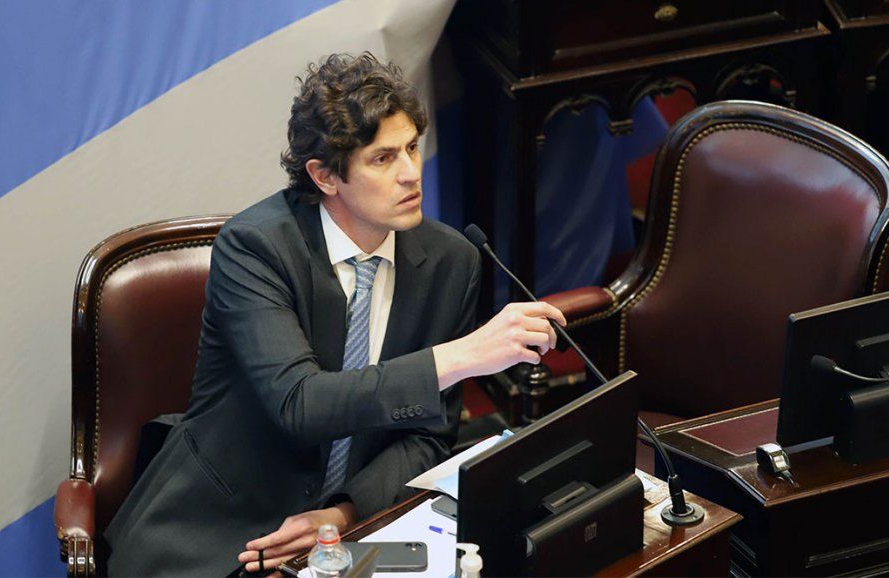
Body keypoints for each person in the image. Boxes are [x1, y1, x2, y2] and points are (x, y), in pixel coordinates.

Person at [105, 53, 565, 576]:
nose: (412, 173)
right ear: (325, 177)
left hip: (352, 530)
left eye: (413, 147)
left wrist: (345, 511)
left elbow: (427, 435)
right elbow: (301, 402)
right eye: (382, 158)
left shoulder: (450, 261)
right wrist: (457, 357)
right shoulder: (255, 248)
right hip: (221, 529)